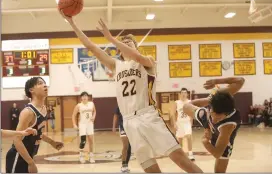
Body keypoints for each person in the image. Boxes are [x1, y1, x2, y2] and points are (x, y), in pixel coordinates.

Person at [59, 10, 202, 173]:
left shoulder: (147, 62)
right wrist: (72, 23)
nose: (126, 44)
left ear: (136, 46)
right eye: (123, 43)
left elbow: (137, 56)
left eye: (130, 42)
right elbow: (90, 46)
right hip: (128, 121)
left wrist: (111, 39)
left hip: (148, 115)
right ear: (119, 51)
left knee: (178, 157)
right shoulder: (115, 65)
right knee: (149, 166)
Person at [183, 77, 245, 173]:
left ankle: (210, 124)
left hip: (224, 137)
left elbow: (217, 153)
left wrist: (205, 142)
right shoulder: (219, 96)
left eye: (219, 117)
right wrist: (215, 83)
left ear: (226, 114)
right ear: (210, 108)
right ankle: (208, 124)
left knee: (220, 170)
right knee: (188, 108)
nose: (215, 120)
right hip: (207, 117)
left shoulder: (227, 127)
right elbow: (240, 80)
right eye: (213, 115)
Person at [5, 77, 64, 173]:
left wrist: (52, 142)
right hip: (17, 157)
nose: (45, 85)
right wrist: (31, 163)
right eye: (40, 83)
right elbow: (16, 140)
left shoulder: (44, 109)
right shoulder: (28, 112)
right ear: (31, 90)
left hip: (28, 156)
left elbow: (37, 133)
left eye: (45, 83)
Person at [72, 92, 96, 164]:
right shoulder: (79, 105)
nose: (84, 97)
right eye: (83, 96)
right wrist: (74, 124)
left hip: (90, 124)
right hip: (82, 124)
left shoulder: (92, 104)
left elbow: (94, 111)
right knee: (83, 141)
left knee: (91, 140)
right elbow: (73, 115)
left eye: (86, 96)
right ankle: (81, 156)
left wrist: (94, 116)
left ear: (88, 97)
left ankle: (91, 156)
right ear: (81, 98)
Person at [172, 88, 194, 161]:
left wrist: (191, 122)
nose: (184, 94)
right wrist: (174, 123)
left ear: (187, 94)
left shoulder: (190, 102)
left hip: (187, 122)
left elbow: (192, 113)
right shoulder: (177, 102)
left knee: (189, 136)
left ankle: (190, 154)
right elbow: (173, 114)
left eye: (185, 92)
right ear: (180, 94)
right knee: (180, 139)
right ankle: (181, 155)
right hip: (179, 123)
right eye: (182, 93)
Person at [113, 106, 131, 173]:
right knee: (125, 146)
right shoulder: (120, 104)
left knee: (129, 147)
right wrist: (114, 126)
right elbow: (115, 115)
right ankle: (123, 165)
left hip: (131, 127)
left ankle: (126, 165)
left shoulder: (132, 104)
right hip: (122, 126)